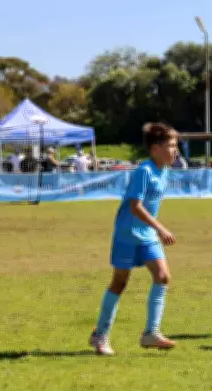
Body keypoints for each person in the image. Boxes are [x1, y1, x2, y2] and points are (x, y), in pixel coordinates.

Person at [89, 122, 179, 356]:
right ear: (155, 148)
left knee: (162, 276)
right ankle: (100, 335)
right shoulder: (144, 171)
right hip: (128, 233)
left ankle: (151, 333)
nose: (175, 150)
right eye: (171, 145)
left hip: (147, 234)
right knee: (119, 282)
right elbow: (134, 205)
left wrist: (154, 229)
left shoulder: (164, 171)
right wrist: (160, 227)